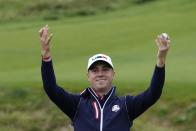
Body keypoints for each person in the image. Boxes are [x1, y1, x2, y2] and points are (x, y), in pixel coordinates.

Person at [39, 25, 170, 131]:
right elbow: (51, 89)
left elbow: (153, 93)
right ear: (88, 76)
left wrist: (161, 60)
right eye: (95, 70)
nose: (100, 74)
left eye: (105, 70)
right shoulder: (77, 104)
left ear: (113, 74)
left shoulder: (126, 105)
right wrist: (46, 57)